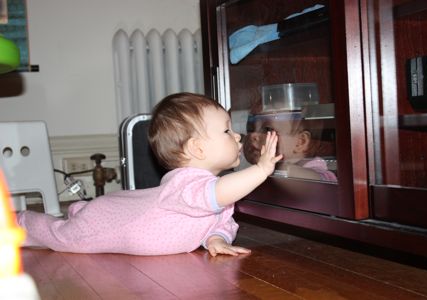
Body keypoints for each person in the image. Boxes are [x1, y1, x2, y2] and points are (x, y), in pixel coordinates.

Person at [16, 93, 283, 256]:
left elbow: (217, 223)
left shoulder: (217, 192)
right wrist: (260, 170)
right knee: (63, 238)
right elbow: (216, 194)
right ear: (197, 148)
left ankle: (77, 210)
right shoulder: (187, 184)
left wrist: (216, 240)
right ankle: (17, 223)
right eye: (226, 131)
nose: (237, 135)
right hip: (107, 221)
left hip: (126, 206)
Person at [243, 111, 337, 182]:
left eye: (267, 129)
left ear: (300, 142)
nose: (252, 135)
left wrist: (278, 168)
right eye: (250, 128)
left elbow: (320, 182)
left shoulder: (313, 168)